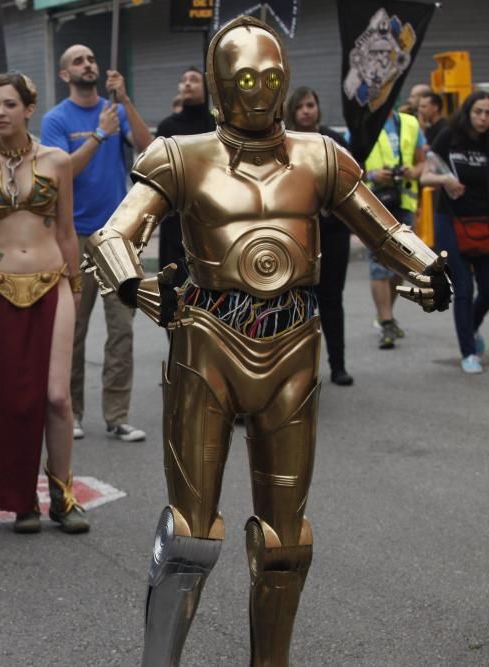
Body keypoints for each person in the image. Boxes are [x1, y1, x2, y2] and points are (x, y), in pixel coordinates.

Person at [84, 17, 449, 664]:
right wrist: (131, 283)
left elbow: (383, 226)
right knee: (192, 537)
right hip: (208, 342)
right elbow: (114, 234)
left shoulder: (321, 155)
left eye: (271, 78)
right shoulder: (181, 155)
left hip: (292, 345)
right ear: (222, 86)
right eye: (245, 79)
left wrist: (428, 266)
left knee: (286, 544)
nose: (259, 92)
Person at [0, 72, 88, 535]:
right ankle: (22, 498)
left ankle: (64, 495)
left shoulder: (58, 161)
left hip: (53, 280)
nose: (0, 112)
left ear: (30, 109)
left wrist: (76, 284)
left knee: (56, 396)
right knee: (11, 398)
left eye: (10, 104)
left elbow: (67, 231)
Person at [40, 43, 153, 442]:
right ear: (65, 75)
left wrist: (125, 101)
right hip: (73, 237)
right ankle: (70, 413)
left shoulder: (115, 108)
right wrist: (99, 135)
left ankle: (117, 415)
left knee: (122, 328)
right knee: (72, 331)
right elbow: (60, 172)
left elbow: (145, 147)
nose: (88, 64)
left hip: (117, 236)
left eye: (91, 58)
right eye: (78, 61)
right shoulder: (56, 120)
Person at [285, 86, 355, 386]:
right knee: (297, 304)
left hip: (333, 233)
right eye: (300, 106)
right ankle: (300, 372)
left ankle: (337, 365)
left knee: (331, 299)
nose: (306, 110)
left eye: (310, 104)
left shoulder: (333, 141)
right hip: (296, 235)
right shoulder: (283, 143)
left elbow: (350, 181)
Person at [422, 90, 489, 373]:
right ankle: (468, 353)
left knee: (487, 288)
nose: (483, 118)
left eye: (488, 113)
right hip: (449, 219)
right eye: (478, 112)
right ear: (468, 111)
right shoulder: (450, 136)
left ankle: (470, 329)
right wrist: (445, 179)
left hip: (483, 221)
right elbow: (426, 175)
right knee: (463, 286)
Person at [153, 67, 216, 328]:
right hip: (174, 229)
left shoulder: (217, 126)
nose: (187, 84)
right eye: (183, 80)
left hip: (211, 228)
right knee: (174, 304)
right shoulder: (168, 127)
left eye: (194, 79)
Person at [364, 107, 427, 349]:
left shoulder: (410, 123)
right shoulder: (362, 126)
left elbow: (422, 162)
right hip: (373, 204)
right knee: (378, 264)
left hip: (403, 201)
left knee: (400, 266)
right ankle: (387, 321)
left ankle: (385, 314)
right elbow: (350, 165)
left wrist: (414, 170)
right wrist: (373, 174)